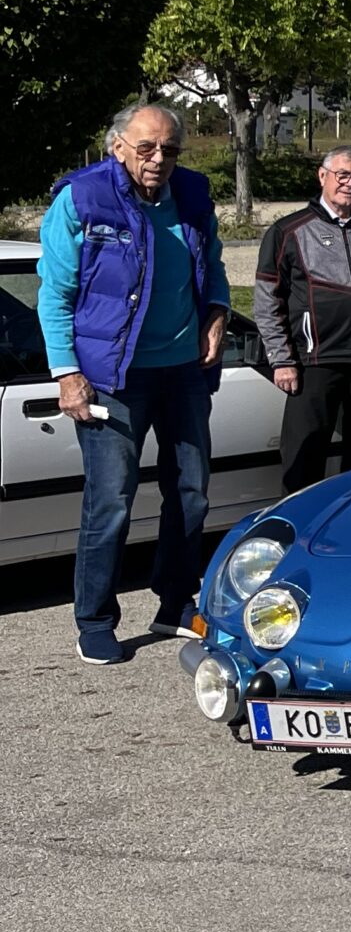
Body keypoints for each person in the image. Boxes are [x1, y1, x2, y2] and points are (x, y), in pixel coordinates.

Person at [37, 103, 230, 664]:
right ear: (116, 145)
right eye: (146, 148)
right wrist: (67, 374)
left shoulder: (192, 194)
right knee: (112, 500)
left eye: (169, 149)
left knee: (190, 491)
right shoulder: (82, 198)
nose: (158, 159)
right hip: (111, 378)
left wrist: (216, 314)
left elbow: (212, 267)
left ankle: (175, 603)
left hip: (182, 372)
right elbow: (55, 294)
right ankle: (94, 619)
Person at [256, 145, 351, 493]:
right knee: (304, 455)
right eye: (343, 175)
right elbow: (267, 300)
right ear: (322, 175)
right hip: (314, 362)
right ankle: (298, 531)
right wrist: (282, 359)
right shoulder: (288, 231)